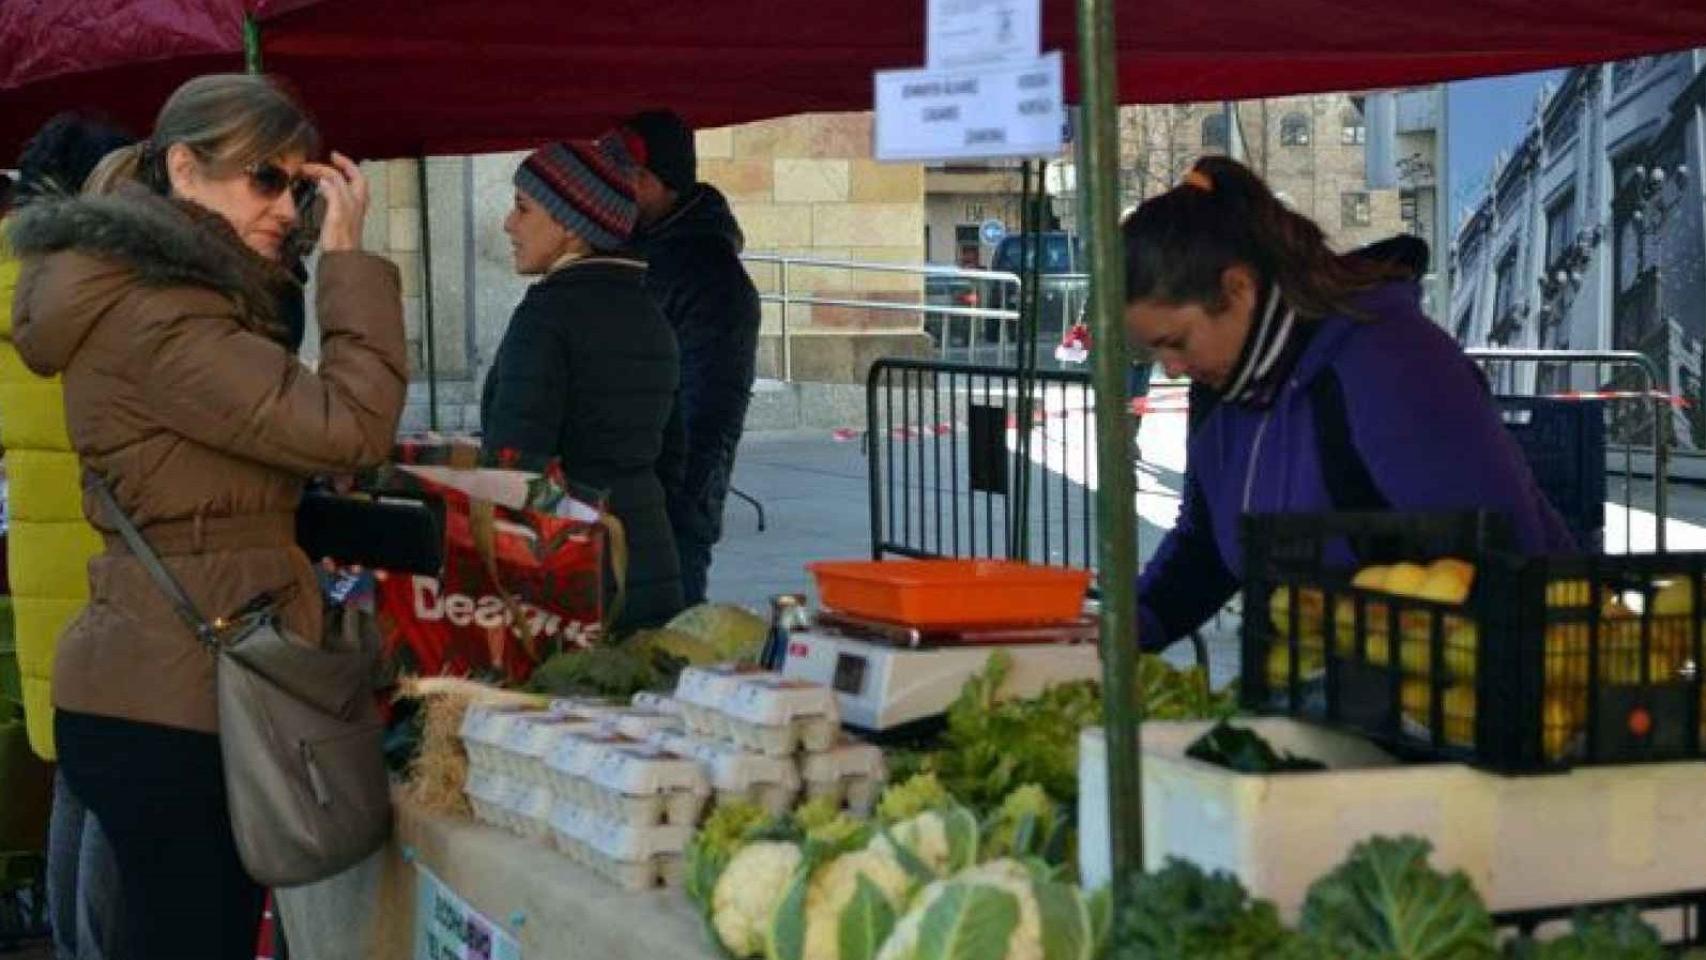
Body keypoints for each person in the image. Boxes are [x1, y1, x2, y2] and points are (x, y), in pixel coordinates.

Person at [5, 74, 406, 959]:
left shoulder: (158, 291)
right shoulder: (162, 315)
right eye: (266, 178)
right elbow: (351, 428)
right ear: (184, 170)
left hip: (168, 675)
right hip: (177, 694)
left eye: (301, 187)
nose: (287, 205)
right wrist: (347, 260)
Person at [1128, 157, 1573, 652]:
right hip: (1331, 694)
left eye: (1177, 341)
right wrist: (1128, 627)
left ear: (1238, 290)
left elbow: (1504, 556)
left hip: (1469, 689)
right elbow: (1208, 545)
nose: (1169, 368)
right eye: (1154, 350)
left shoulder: (1391, 363)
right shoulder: (1222, 391)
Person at [1, 112, 136, 960]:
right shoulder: (85, 282)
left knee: (72, 771)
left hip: (38, 552)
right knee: (112, 779)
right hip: (100, 544)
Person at [482, 137, 685, 630]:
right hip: (651, 560)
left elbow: (517, 467)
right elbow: (675, 458)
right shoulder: (651, 314)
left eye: (523, 208)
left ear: (571, 227)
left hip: (573, 581)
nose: (509, 224)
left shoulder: (546, 317)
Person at [618, 110, 761, 606]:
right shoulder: (636, 251)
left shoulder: (711, 277)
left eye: (631, 177)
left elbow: (711, 406)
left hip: (672, 507)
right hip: (632, 498)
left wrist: (676, 503)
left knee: (666, 647)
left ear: (658, 184)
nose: (618, 190)